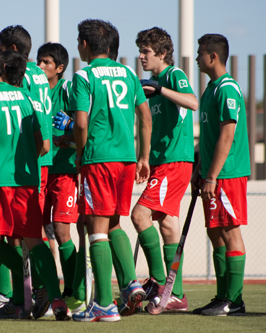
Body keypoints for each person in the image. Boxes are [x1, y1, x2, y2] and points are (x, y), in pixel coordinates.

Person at [0, 45, 69, 322]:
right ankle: (57, 300)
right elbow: (44, 145)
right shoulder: (29, 99)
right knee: (35, 240)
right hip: (27, 181)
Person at [70, 19, 152, 322]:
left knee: (97, 229)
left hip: (98, 158)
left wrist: (80, 155)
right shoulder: (129, 73)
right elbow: (145, 117)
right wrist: (144, 156)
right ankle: (130, 283)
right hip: (126, 159)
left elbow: (81, 122)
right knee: (114, 221)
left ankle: (103, 304)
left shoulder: (84, 76)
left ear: (85, 44)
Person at [131, 27, 198, 313]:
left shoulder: (173, 76)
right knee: (168, 225)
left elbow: (193, 102)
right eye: (140, 52)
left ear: (161, 53)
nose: (141, 57)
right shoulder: (153, 83)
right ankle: (176, 295)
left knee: (139, 215)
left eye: (146, 52)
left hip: (175, 161)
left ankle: (160, 282)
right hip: (162, 162)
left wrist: (160, 89)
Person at [0, 25, 54, 319]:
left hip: (21, 164)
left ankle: (27, 295)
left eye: (1, 48)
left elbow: (20, 115)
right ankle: (34, 294)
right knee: (25, 233)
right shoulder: (39, 74)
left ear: (13, 50)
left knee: (12, 234)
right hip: (39, 160)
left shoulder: (18, 75)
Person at [191, 33, 249, 316]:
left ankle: (235, 301)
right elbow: (210, 137)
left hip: (227, 174)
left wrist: (212, 175)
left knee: (230, 232)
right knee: (215, 233)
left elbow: (227, 135)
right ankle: (222, 296)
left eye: (200, 52)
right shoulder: (210, 89)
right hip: (212, 173)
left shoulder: (228, 88)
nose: (197, 57)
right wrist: (199, 170)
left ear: (213, 56)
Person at [36, 42, 80, 311]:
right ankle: (43, 289)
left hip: (65, 171)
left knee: (63, 231)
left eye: (46, 63)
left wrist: (70, 131)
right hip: (41, 171)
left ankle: (73, 290)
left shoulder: (68, 89)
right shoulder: (36, 90)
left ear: (60, 68)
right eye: (39, 61)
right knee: (35, 232)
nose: (40, 67)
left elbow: (86, 124)